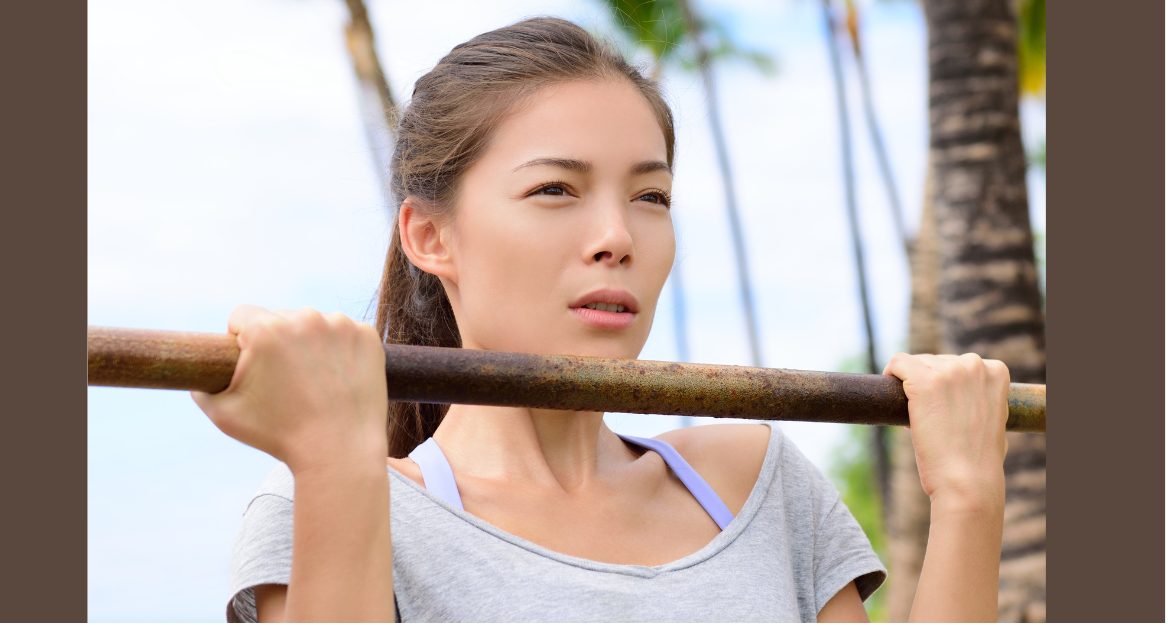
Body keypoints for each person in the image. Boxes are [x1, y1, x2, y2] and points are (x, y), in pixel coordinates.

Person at [194, 17, 1011, 623]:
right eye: (556, 189)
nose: (618, 236)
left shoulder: (751, 482)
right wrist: (333, 456)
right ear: (429, 235)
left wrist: (969, 494)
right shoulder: (341, 504)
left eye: (651, 197)